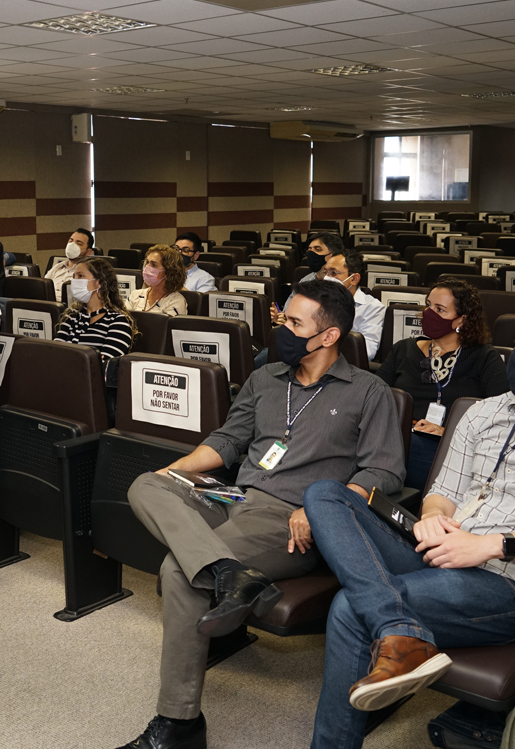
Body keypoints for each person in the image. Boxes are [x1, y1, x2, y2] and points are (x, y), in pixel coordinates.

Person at [302, 301, 515, 749]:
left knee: (350, 609)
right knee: (325, 493)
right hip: (436, 552)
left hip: (507, 583)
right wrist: (431, 520)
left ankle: (387, 652)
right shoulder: (484, 413)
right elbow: (442, 493)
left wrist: (489, 546)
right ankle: (403, 632)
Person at [116, 280, 405, 749]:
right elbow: (228, 440)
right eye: (282, 320)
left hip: (294, 516)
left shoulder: (369, 391)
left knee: (178, 568)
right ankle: (232, 573)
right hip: (235, 495)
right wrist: (175, 472)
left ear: (328, 336)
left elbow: (384, 470)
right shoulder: (266, 376)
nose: (281, 330)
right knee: (146, 482)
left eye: (294, 323)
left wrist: (326, 507)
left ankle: (179, 725)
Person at [375, 278, 508, 490]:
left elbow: (503, 416)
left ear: (461, 320)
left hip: (452, 448)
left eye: (440, 309)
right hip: (397, 438)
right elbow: (374, 396)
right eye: (428, 305)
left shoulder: (484, 357)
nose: (429, 313)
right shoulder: (403, 349)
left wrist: (446, 431)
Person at [54, 258, 135, 369]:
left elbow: (104, 366)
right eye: (74, 277)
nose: (74, 281)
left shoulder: (118, 321)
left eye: (80, 276)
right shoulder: (72, 315)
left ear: (99, 282)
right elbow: (55, 352)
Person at [127, 244, 188, 317]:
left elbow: (164, 327)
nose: (147, 267)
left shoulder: (176, 301)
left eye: (153, 265)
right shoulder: (135, 295)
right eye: (147, 262)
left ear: (168, 271)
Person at [45, 227, 95, 301]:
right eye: (71, 241)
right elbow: (43, 289)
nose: (72, 245)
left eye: (79, 243)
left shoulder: (88, 273)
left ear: (88, 252)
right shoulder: (57, 267)